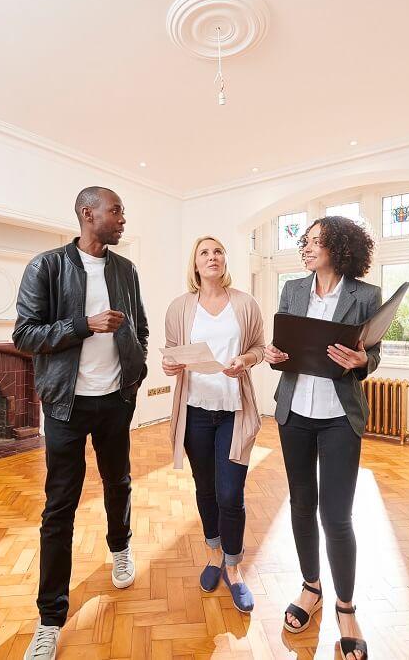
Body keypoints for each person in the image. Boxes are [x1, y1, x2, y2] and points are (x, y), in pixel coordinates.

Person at [12, 186, 149, 660]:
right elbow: (24, 335)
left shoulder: (125, 269)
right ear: (88, 214)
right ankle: (50, 619)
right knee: (59, 508)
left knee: (119, 482)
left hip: (115, 400)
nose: (123, 219)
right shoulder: (46, 267)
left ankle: (120, 548)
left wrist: (136, 370)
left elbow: (139, 327)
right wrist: (83, 325)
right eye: (117, 211)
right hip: (65, 407)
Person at [264, 216, 380, 660]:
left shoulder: (365, 295)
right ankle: (311, 587)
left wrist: (362, 361)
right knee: (300, 505)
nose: (308, 248)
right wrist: (274, 355)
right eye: (306, 242)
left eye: (317, 241)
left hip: (338, 418)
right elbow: (283, 348)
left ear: (340, 247)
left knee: (337, 517)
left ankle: (346, 607)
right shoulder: (293, 290)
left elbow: (374, 353)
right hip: (294, 414)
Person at [162, 236, 265, 613]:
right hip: (195, 412)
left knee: (230, 493)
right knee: (205, 489)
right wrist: (169, 365)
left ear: (225, 260)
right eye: (204, 252)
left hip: (233, 411)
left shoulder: (245, 304)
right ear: (195, 264)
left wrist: (245, 360)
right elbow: (172, 355)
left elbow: (259, 348)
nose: (212, 257)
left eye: (218, 251)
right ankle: (213, 554)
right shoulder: (179, 307)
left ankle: (233, 568)